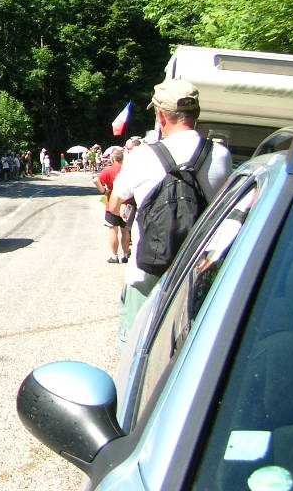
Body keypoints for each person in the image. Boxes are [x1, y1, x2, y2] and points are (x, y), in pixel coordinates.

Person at [108, 80, 232, 350]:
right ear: (196, 113)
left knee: (136, 352)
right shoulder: (220, 155)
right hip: (197, 270)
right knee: (191, 353)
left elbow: (116, 202)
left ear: (161, 116)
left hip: (147, 271)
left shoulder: (141, 156)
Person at [94, 148, 128, 263]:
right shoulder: (127, 168)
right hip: (127, 203)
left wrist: (104, 191)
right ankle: (125, 255)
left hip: (112, 202)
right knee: (125, 231)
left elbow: (96, 180)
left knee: (113, 230)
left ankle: (114, 256)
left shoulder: (108, 170)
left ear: (112, 158)